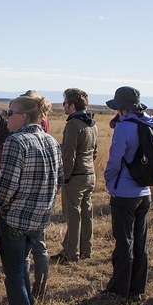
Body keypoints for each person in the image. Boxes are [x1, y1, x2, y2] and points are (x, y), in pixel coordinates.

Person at [0, 93, 63, 305]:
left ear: (23, 116)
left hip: (15, 218)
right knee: (22, 266)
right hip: (39, 218)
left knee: (14, 272)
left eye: (9, 113)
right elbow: (59, 180)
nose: (6, 118)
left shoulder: (16, 142)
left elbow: (8, 184)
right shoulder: (51, 141)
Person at [102, 86, 153, 302]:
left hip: (124, 192)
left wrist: (109, 180)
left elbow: (115, 159)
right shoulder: (149, 124)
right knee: (140, 241)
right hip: (145, 192)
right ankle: (137, 288)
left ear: (122, 109)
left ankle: (119, 288)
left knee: (123, 242)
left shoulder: (124, 128)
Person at [53, 88, 98, 264]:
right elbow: (95, 151)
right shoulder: (92, 122)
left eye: (64, 103)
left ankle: (71, 252)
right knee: (86, 213)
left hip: (76, 175)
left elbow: (69, 154)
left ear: (72, 105)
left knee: (73, 215)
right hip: (89, 173)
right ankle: (86, 249)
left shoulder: (73, 124)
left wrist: (65, 177)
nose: (63, 106)